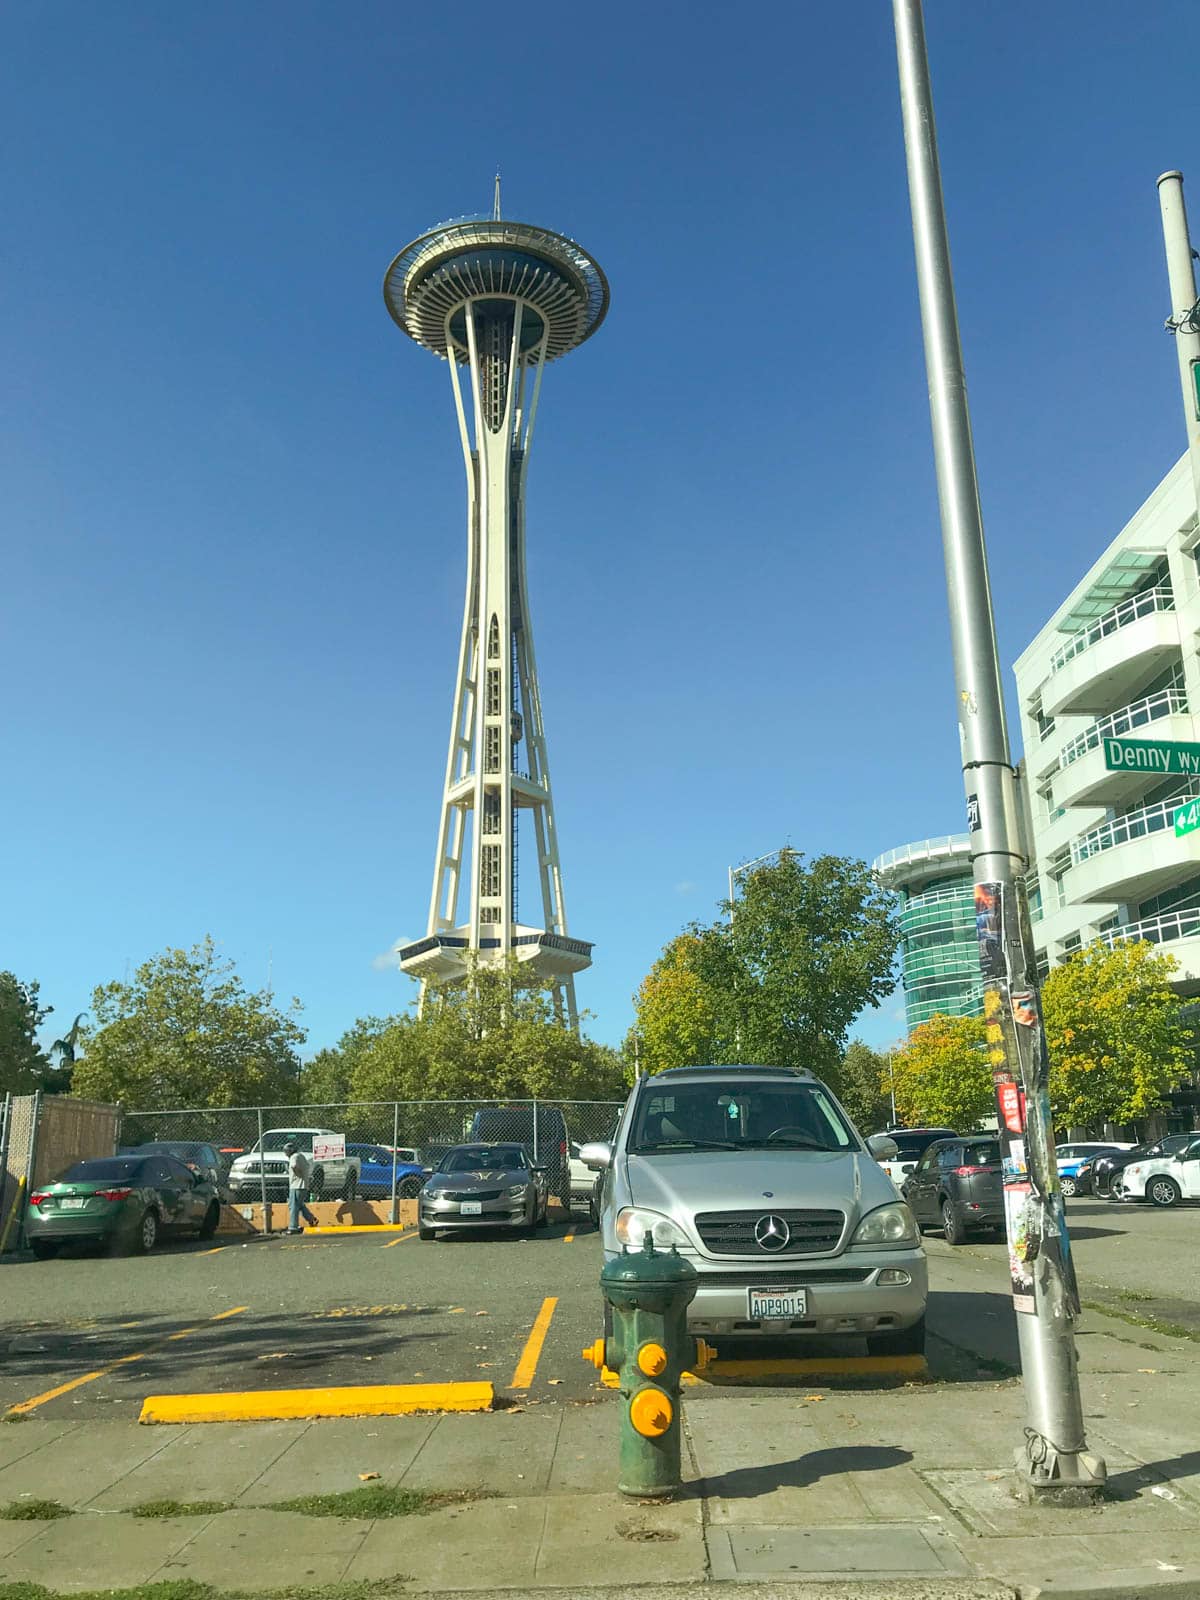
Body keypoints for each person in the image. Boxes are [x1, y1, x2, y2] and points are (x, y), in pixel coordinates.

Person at [284, 1140, 317, 1234]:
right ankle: (312, 1219)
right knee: (300, 1205)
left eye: (286, 1151)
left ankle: (293, 1227)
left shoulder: (294, 1157)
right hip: (303, 1185)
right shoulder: (301, 1156)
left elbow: (294, 1166)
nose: (286, 1154)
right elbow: (307, 1166)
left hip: (296, 1185)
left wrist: (297, 1173)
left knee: (293, 1206)